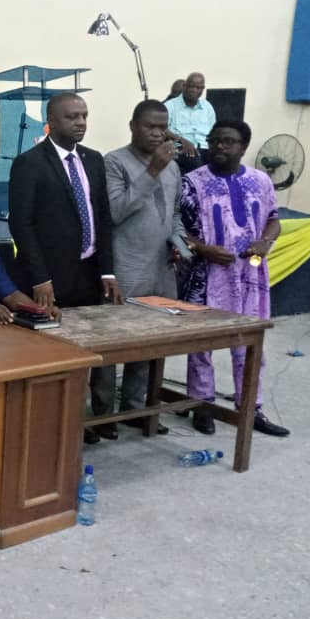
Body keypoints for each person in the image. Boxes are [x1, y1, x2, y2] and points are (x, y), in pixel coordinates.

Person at [8, 93, 122, 444]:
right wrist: (40, 278)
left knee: (88, 350)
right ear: (52, 121)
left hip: (89, 273)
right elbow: (21, 224)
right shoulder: (29, 163)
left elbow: (102, 217)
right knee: (49, 352)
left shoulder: (93, 159)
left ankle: (88, 418)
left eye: (84, 115)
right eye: (72, 117)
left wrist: (107, 271)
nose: (81, 123)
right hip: (49, 278)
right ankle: (48, 423)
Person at [179, 119, 289, 437]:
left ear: (243, 147)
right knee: (202, 344)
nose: (219, 146)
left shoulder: (261, 180)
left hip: (250, 275)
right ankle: (202, 405)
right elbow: (178, 230)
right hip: (206, 274)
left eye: (228, 141)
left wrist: (265, 241)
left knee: (250, 343)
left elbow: (274, 219)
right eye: (214, 140)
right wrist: (203, 249)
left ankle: (251, 407)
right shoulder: (191, 183)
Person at [104, 99, 185, 435]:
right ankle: (103, 415)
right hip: (128, 266)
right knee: (113, 342)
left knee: (150, 341)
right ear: (132, 126)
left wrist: (180, 242)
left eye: (162, 128)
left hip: (161, 268)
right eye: (150, 126)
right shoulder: (114, 162)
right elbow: (115, 211)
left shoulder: (173, 167)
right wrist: (152, 170)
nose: (157, 134)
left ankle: (134, 408)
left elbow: (175, 213)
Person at [165, 71, 214, 173]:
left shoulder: (207, 107)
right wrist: (182, 140)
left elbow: (213, 132)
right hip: (181, 149)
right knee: (196, 163)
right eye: (192, 87)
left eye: (199, 87)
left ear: (203, 89)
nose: (195, 90)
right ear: (185, 86)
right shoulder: (170, 106)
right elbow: (162, 129)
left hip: (205, 148)